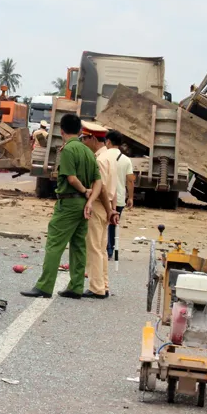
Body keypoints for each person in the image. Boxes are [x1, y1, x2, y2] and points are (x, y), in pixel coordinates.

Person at [22, 113, 100, 299]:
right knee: (78, 246)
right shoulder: (88, 152)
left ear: (61, 130)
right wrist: (89, 200)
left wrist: (83, 190)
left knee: (55, 244)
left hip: (69, 202)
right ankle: (76, 287)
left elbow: (71, 178)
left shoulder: (68, 150)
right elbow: (98, 181)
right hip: (83, 204)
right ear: (80, 131)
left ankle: (44, 286)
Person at [79, 122, 121, 299]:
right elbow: (114, 188)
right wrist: (112, 209)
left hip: (99, 205)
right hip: (107, 205)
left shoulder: (100, 160)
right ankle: (103, 285)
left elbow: (101, 187)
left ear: (93, 139)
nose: (83, 142)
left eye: (85, 138)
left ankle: (96, 288)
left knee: (94, 248)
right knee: (102, 248)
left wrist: (108, 209)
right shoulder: (110, 157)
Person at [105, 130, 134, 259]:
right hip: (120, 198)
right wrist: (131, 197)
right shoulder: (127, 160)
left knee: (101, 222)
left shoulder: (102, 156)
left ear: (108, 142)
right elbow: (130, 180)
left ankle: (103, 247)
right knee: (113, 223)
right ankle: (110, 249)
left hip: (103, 197)